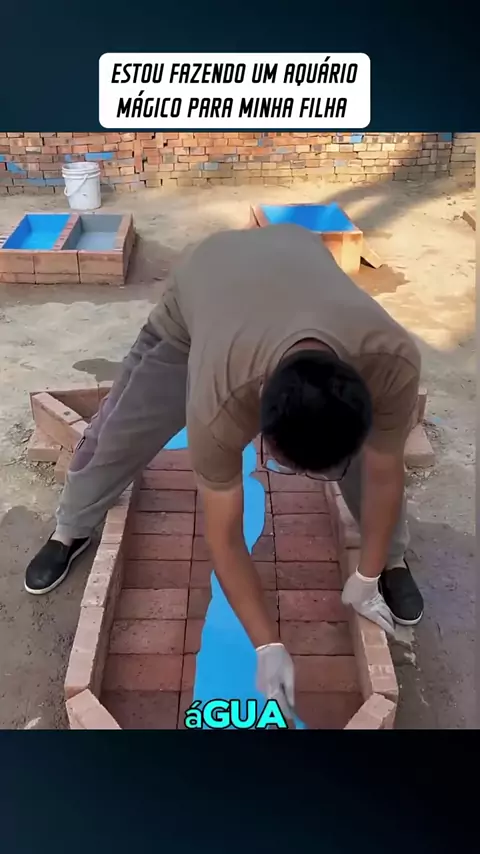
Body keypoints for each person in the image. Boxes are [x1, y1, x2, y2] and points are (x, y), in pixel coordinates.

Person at [24, 223, 424, 717]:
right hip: (204, 284)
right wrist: (267, 644)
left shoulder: (392, 361)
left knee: (368, 463)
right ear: (262, 432)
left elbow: (385, 472)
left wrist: (367, 571)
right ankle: (70, 527)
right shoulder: (220, 401)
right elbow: (225, 538)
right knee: (122, 430)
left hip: (289, 257)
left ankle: (392, 562)